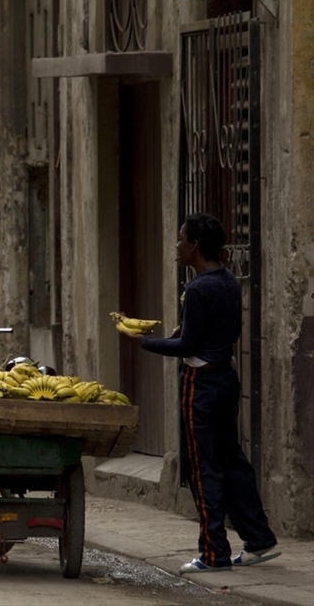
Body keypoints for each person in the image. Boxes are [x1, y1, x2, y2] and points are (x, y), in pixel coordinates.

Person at [128, 213, 278, 574]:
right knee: (232, 460)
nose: (176, 247)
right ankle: (258, 540)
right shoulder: (227, 281)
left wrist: (144, 342)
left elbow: (187, 345)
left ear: (194, 246)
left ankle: (213, 554)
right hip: (225, 378)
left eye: (181, 240)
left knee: (203, 469)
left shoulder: (197, 289)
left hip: (203, 385)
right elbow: (215, 332)